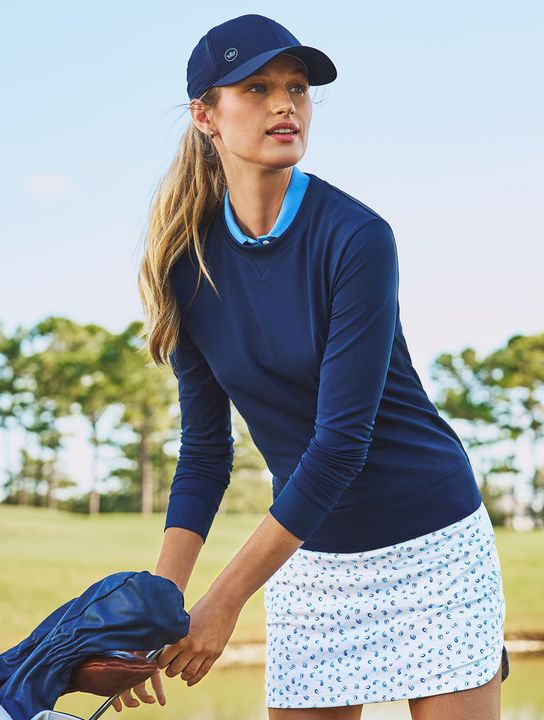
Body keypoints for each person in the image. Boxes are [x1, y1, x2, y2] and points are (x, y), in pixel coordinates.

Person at [130, 14, 507, 719]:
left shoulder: (357, 238)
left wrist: (225, 599)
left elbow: (338, 446)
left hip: (432, 545)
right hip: (310, 559)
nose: (286, 105)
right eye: (258, 87)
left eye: (298, 88)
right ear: (206, 114)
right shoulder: (187, 267)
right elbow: (206, 457)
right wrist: (157, 605)